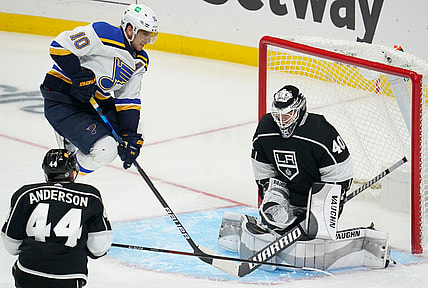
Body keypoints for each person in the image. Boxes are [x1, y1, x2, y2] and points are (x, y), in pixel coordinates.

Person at [217, 85, 392, 270]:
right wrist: (271, 195)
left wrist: (328, 205)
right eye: (278, 116)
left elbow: (341, 173)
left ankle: (358, 242)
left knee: (316, 234)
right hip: (287, 190)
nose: (282, 122)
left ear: (300, 110)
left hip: (319, 192)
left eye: (287, 116)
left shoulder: (320, 131)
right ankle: (281, 227)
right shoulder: (266, 128)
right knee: (272, 213)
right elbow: (263, 170)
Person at [39, 3, 158, 175]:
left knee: (136, 133)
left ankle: (74, 169)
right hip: (62, 98)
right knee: (106, 150)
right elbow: (58, 47)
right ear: (130, 29)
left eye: (151, 36)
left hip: (93, 102)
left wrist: (129, 137)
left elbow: (128, 99)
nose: (148, 40)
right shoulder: (103, 34)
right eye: (145, 34)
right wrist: (78, 76)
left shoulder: (140, 61)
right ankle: (64, 173)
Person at [1, 149, 113, 287]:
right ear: (72, 172)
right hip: (68, 276)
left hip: (29, 273)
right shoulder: (91, 196)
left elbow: (11, 245)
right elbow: (99, 247)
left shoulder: (25, 194)